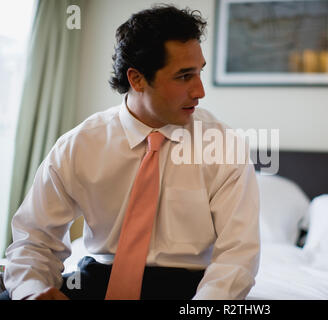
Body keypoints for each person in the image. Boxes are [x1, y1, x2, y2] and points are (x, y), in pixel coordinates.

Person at [2, 5, 260, 300]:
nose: (200, 90)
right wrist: (33, 291)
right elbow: (34, 240)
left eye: (199, 72)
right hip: (96, 279)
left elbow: (237, 257)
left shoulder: (224, 145)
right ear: (137, 79)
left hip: (189, 291)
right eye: (184, 76)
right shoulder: (80, 144)